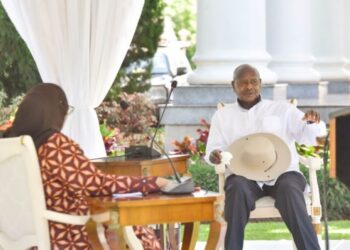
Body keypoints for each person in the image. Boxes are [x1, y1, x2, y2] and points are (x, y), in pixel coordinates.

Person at [4, 83, 171, 250]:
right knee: (137, 230)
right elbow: (96, 184)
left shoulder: (8, 144)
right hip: (67, 238)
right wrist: (153, 183)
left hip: (27, 243)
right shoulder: (54, 145)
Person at [205, 64, 326, 250]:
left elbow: (311, 137)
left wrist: (312, 123)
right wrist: (215, 156)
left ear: (260, 83)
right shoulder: (223, 116)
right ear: (233, 85)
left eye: (253, 81)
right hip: (245, 177)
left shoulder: (282, 109)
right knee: (236, 187)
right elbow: (214, 150)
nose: (249, 86)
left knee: (290, 188)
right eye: (243, 82)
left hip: (283, 174)